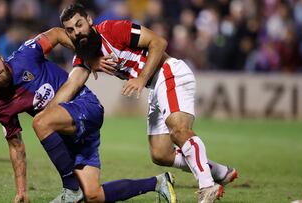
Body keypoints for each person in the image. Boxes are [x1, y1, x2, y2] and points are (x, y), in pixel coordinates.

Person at [0, 27, 176, 203]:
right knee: (93, 195)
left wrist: (88, 58)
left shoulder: (26, 55)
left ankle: (70, 188)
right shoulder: (1, 106)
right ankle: (159, 182)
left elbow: (58, 33)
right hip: (68, 132)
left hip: (85, 105)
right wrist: (22, 190)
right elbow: (16, 147)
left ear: (0, 57)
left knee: (41, 121)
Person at [57, 3, 238, 203]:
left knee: (179, 131)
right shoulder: (86, 54)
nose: (76, 32)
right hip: (155, 86)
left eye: (79, 24)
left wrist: (141, 79)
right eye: (71, 30)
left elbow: (159, 42)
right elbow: (72, 83)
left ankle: (208, 186)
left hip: (169, 72)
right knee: (161, 154)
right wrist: (50, 112)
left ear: (89, 20)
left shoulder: (112, 30)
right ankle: (221, 172)